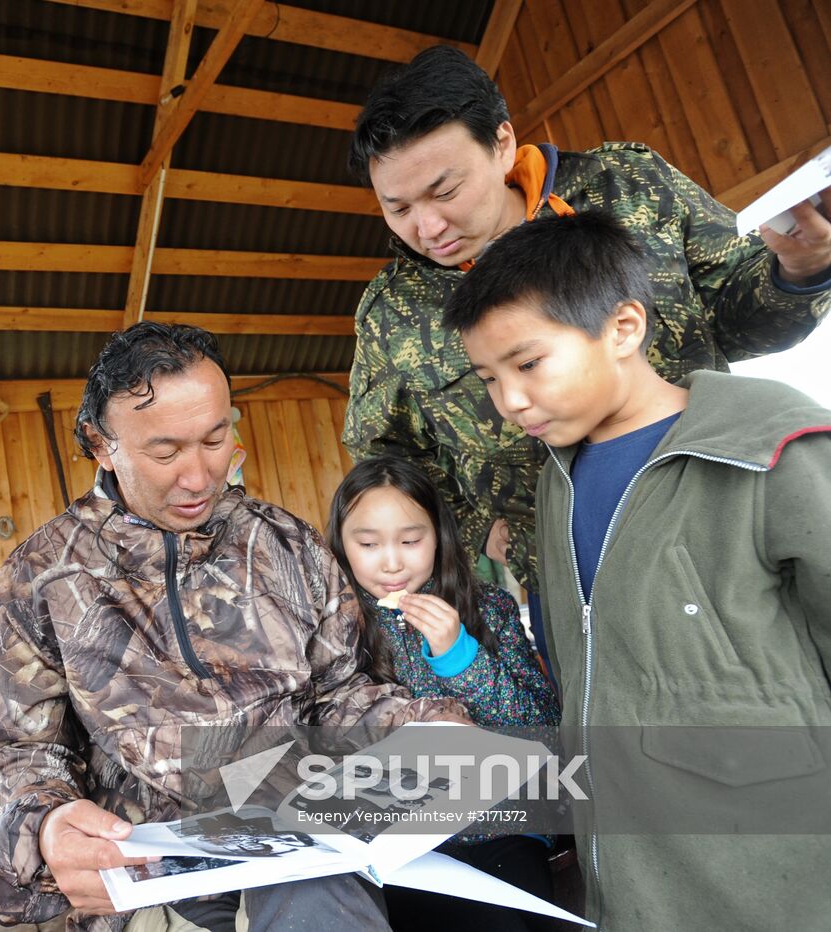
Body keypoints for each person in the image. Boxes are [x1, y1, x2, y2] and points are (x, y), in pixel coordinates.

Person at [0, 322, 469, 932]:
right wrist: (47, 822)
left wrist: (417, 724)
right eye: (165, 452)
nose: (197, 478)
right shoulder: (42, 574)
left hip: (302, 843)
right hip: (152, 870)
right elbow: (13, 748)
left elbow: (336, 692)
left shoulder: (285, 543)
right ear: (101, 444)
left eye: (216, 438)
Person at [342, 44, 831, 665]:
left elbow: (739, 316)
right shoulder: (394, 311)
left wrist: (801, 269)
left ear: (501, 143)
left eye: (445, 191)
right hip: (567, 567)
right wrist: (474, 532)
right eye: (399, 208)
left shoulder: (627, 189)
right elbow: (385, 454)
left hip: (721, 526)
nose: (428, 227)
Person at [444, 210, 831, 932]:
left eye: (527, 364)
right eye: (490, 378)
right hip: (629, 885)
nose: (509, 402)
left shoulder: (771, 443)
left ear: (623, 328)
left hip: (783, 885)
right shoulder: (557, 481)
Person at [327, 455, 559, 931]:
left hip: (501, 829)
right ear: (341, 545)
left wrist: (460, 656)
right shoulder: (334, 626)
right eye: (368, 543)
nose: (392, 561)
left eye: (411, 541)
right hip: (394, 842)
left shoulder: (486, 607)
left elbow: (543, 729)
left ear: (439, 534)